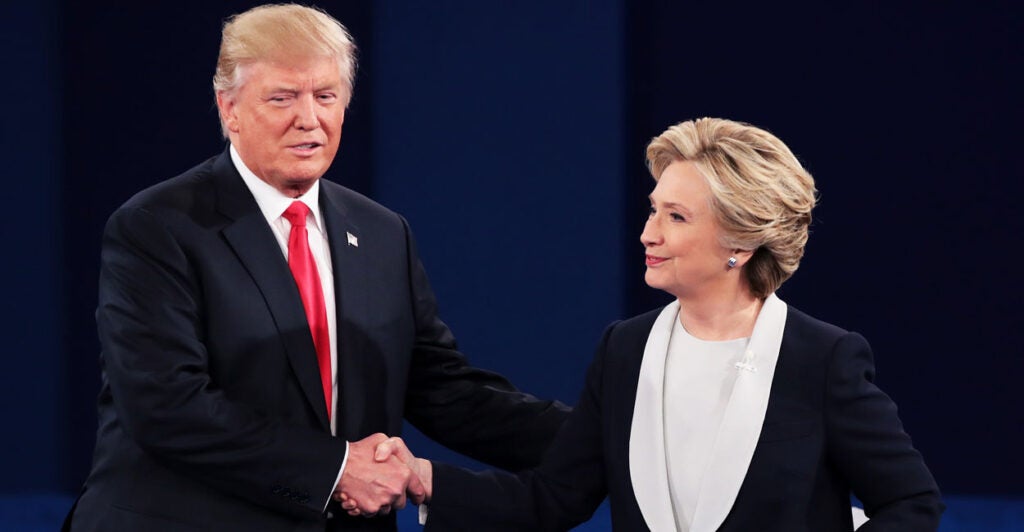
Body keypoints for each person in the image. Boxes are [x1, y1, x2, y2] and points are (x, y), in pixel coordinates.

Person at [62, 4, 568, 531]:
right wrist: (336, 470)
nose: (310, 118)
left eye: (326, 96)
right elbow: (167, 406)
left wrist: (609, 434)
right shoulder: (158, 227)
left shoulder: (380, 232)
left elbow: (443, 390)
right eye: (282, 98)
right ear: (228, 108)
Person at [372, 118, 944, 531]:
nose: (649, 233)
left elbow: (911, 503)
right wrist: (424, 478)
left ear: (740, 242)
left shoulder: (821, 358)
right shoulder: (625, 348)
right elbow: (552, 499)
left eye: (676, 217)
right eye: (653, 209)